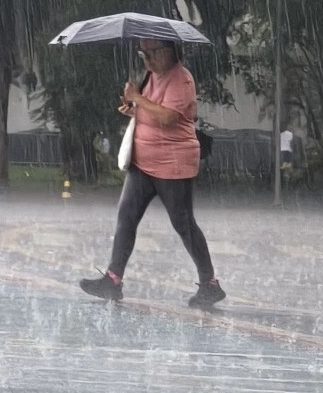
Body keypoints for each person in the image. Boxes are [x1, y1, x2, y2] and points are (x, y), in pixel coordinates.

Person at [80, 38, 226, 308]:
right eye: (142, 53)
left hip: (172, 165)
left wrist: (138, 98)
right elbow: (150, 110)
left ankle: (210, 284)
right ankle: (113, 279)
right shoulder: (150, 75)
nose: (146, 59)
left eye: (152, 53)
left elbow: (169, 117)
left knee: (183, 224)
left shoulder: (181, 79)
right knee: (127, 215)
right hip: (142, 162)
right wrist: (132, 108)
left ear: (169, 51)